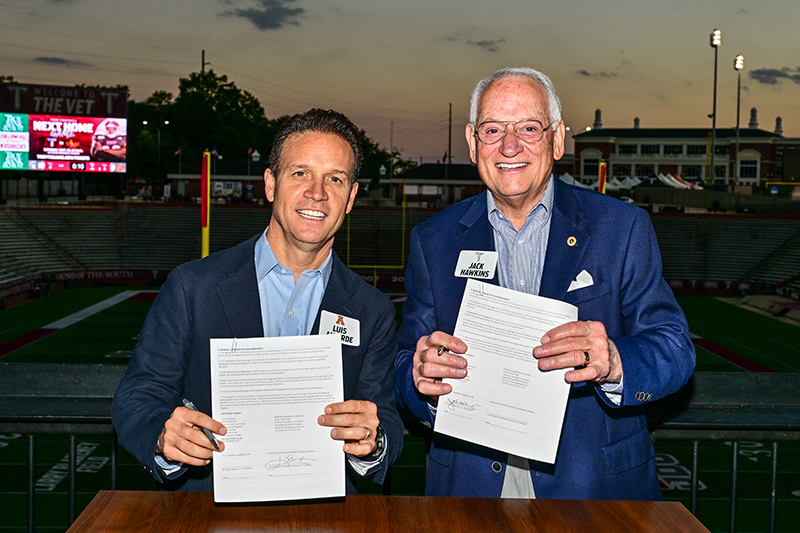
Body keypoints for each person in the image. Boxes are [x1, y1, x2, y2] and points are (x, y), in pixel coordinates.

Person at [394, 67, 695, 500]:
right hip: (470, 490)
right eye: (492, 129)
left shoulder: (621, 227)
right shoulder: (433, 240)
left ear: (556, 139)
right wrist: (422, 379)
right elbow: (407, 361)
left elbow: (675, 349)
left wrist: (612, 359)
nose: (509, 145)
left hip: (593, 491)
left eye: (529, 128)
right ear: (472, 141)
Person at [113, 108, 403, 493]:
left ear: (350, 197)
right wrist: (166, 439)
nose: (317, 192)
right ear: (271, 184)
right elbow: (137, 397)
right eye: (300, 173)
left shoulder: (372, 310)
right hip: (208, 516)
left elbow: (386, 419)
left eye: (334, 178)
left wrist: (374, 442)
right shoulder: (192, 287)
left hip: (326, 519)